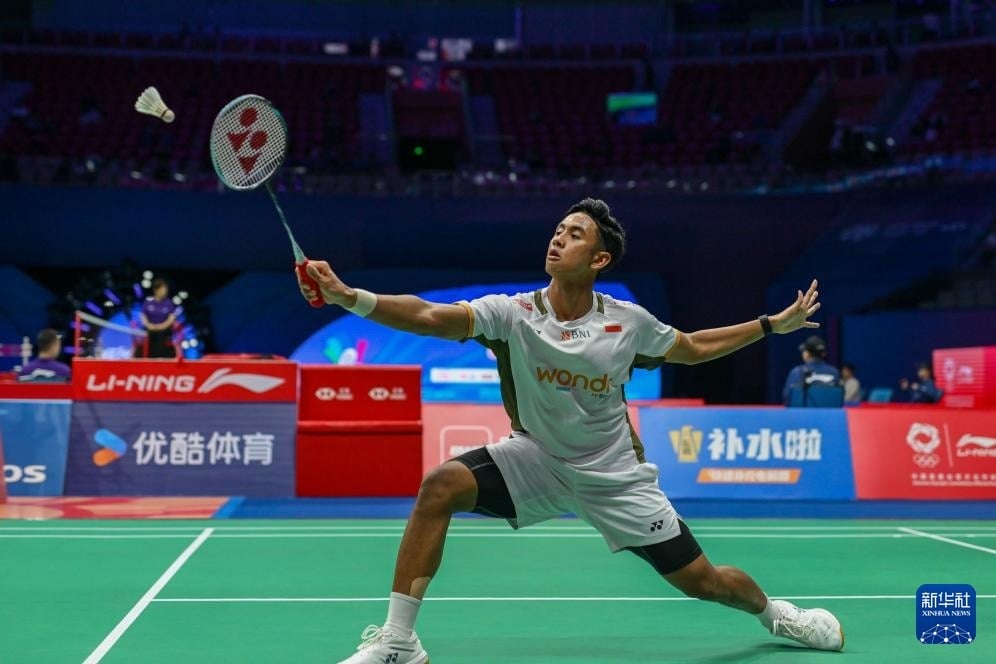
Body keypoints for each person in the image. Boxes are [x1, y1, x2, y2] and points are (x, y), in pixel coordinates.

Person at [297, 199, 844, 663]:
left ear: (599, 259)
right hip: (536, 458)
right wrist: (349, 296)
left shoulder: (627, 322)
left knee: (705, 582)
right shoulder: (513, 313)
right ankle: (399, 642)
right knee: (441, 486)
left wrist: (771, 325)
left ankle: (778, 616)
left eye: (575, 234)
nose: (559, 239)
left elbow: (694, 347)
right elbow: (428, 316)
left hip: (615, 476)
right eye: (558, 230)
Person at [782, 335, 840, 405]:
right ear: (823, 353)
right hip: (829, 412)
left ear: (807, 353)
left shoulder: (797, 372)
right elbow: (837, 401)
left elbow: (787, 399)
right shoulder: (834, 372)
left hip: (803, 412)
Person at [139, 278, 177, 359]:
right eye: (163, 289)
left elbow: (171, 319)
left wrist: (161, 327)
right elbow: (143, 316)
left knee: (161, 336)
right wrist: (149, 325)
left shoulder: (168, 303)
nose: (165, 291)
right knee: (145, 336)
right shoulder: (148, 302)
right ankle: (144, 360)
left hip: (164, 331)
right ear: (156, 290)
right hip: (150, 330)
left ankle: (159, 359)